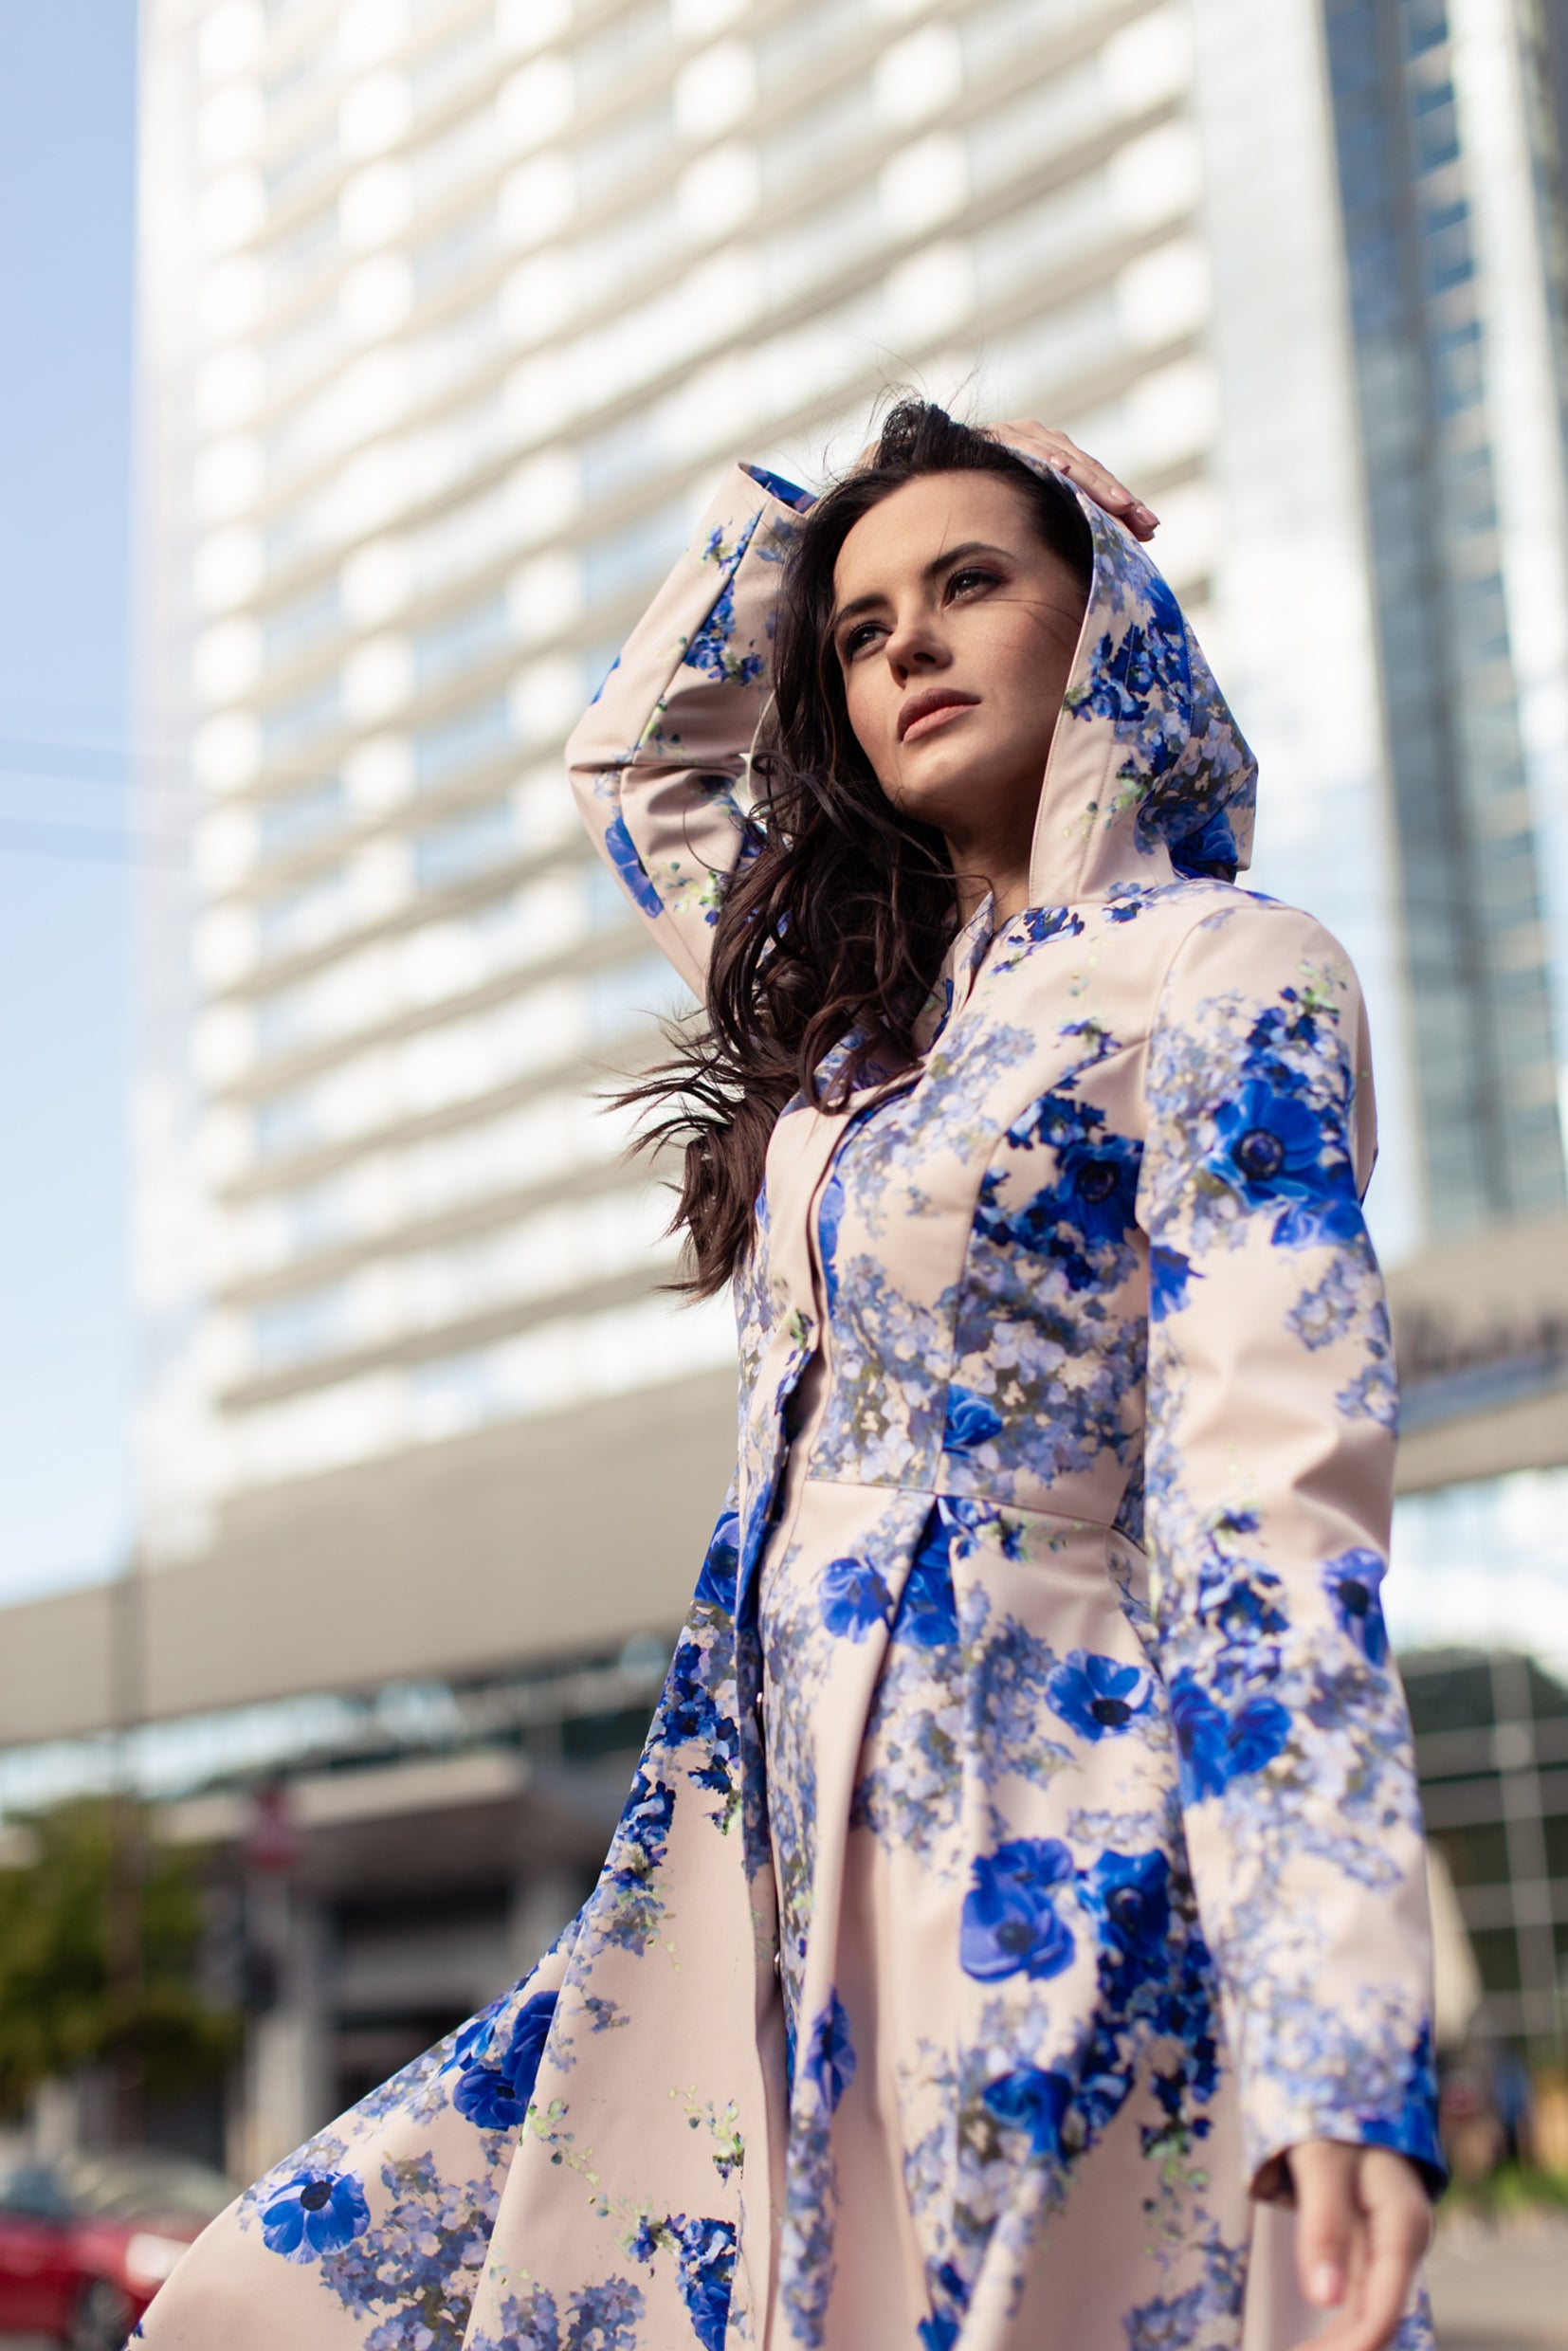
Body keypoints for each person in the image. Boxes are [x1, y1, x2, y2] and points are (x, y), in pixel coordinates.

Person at [135, 404, 1442, 2351]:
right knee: (273, 2296)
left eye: (970, 582)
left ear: (1100, 617)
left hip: (1039, 1833)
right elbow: (636, 756)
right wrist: (830, 474)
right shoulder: (860, 1021)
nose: (904, 642)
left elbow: (1271, 1508)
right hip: (736, 1849)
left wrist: (1341, 2029)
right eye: (857, 624)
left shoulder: (1228, 972)